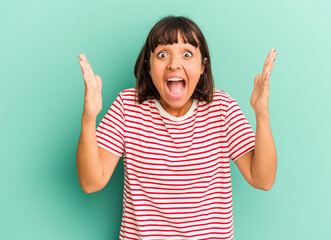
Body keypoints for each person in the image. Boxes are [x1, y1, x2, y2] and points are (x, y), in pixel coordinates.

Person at [76, 16, 277, 240]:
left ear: (203, 66)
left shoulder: (222, 108)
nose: (174, 63)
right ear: (148, 67)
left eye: (187, 54)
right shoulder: (128, 107)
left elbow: (263, 179)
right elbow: (91, 182)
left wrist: (261, 113)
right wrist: (88, 117)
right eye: (162, 54)